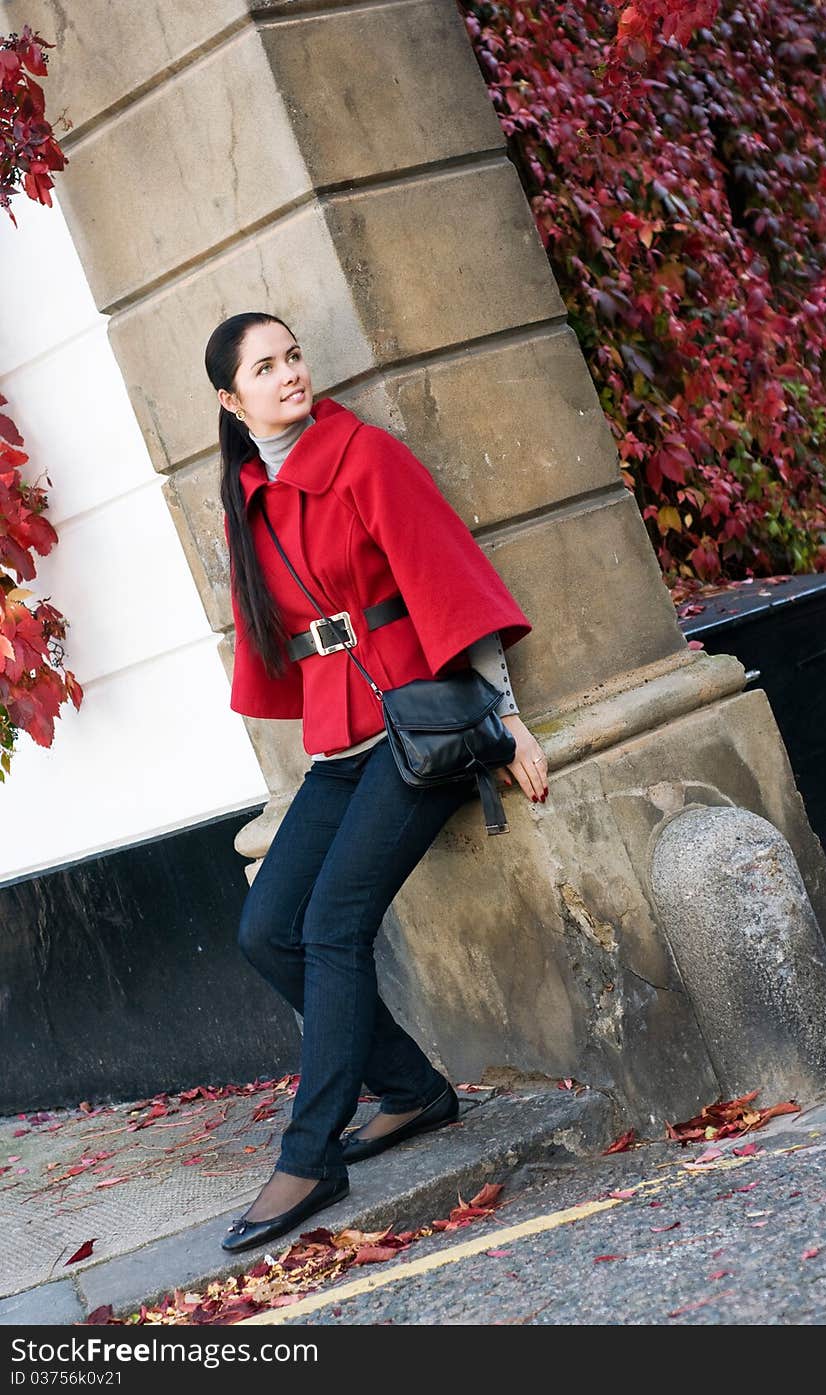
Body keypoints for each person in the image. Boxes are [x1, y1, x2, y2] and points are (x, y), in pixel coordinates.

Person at [204, 312, 549, 1254]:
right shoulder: (247, 495)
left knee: (331, 926)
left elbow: (447, 579)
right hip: (342, 740)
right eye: (264, 369)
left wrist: (504, 715)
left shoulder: (365, 456)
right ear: (230, 401)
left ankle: (310, 1152)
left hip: (422, 730)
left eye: (293, 358)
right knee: (266, 928)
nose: (289, 376)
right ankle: (411, 1089)